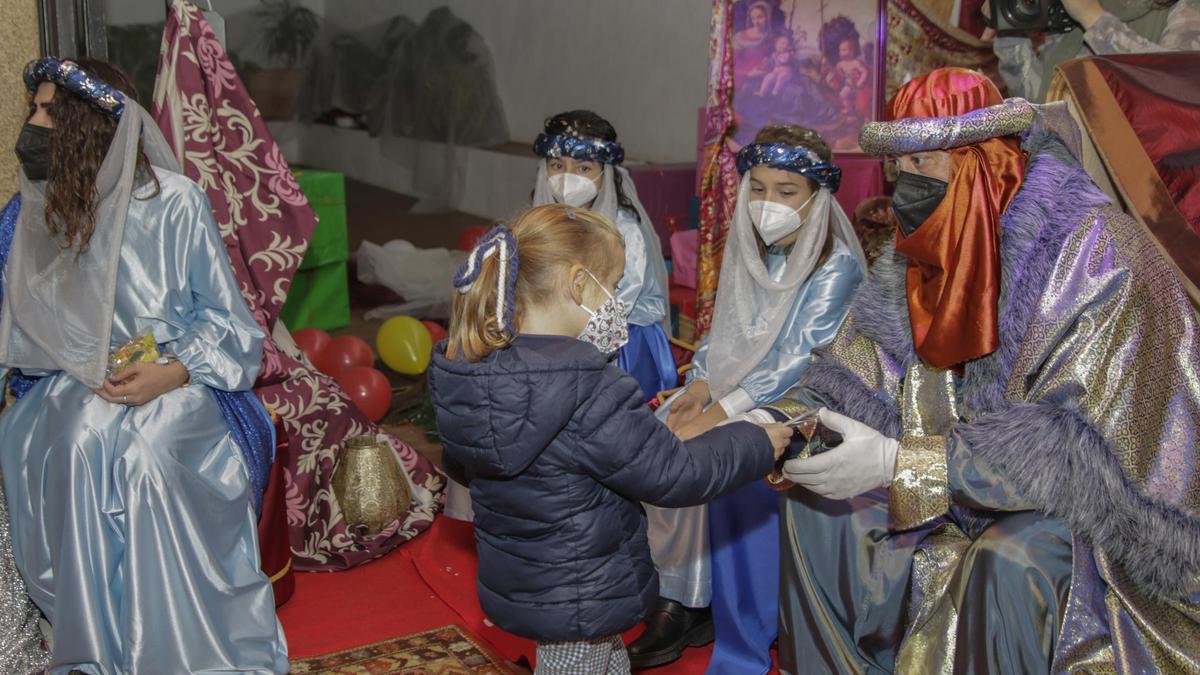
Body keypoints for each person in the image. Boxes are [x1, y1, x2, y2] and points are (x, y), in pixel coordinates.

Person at [765, 67, 1200, 673]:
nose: (906, 188)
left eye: (925, 166)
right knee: (814, 511)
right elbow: (855, 370)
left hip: (1096, 535)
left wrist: (899, 464)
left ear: (985, 163)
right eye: (900, 169)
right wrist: (776, 420)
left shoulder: (1100, 257)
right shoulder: (930, 246)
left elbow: (1077, 465)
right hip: (956, 493)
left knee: (1008, 560)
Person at [0, 58, 287, 672]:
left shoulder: (173, 201)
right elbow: (18, 334)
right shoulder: (31, 216)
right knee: (77, 443)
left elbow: (232, 327)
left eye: (48, 110)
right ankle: (93, 652)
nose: (33, 121)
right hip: (70, 386)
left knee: (146, 459)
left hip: (179, 379)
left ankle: (177, 649)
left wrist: (175, 369)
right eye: (34, 109)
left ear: (83, 126)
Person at [428, 204, 792, 675]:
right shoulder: (587, 383)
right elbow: (675, 474)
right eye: (614, 286)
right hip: (585, 584)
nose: (617, 302)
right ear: (579, 285)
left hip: (526, 574)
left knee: (600, 661)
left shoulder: (472, 368)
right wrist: (756, 440)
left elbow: (463, 463)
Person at [628, 125, 866, 672]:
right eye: (757, 188)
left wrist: (720, 411)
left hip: (803, 397)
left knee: (704, 447)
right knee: (662, 428)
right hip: (740, 386)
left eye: (786, 192)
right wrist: (700, 385)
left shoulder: (836, 267)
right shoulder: (756, 250)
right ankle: (679, 588)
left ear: (816, 196)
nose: (767, 204)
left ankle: (686, 604)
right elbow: (723, 329)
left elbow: (800, 358)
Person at [531, 110, 675, 402]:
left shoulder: (623, 230)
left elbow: (619, 302)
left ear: (604, 172)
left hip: (622, 341)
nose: (568, 178)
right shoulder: (545, 223)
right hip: (562, 334)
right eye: (558, 165)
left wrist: (563, 337)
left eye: (583, 168)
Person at [987, 0, 1200, 101]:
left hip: (1125, 179)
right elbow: (1042, 106)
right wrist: (1011, 29)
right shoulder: (1081, 7)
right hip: (1056, 172)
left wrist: (1093, 19)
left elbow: (1177, 88)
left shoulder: (1188, 7)